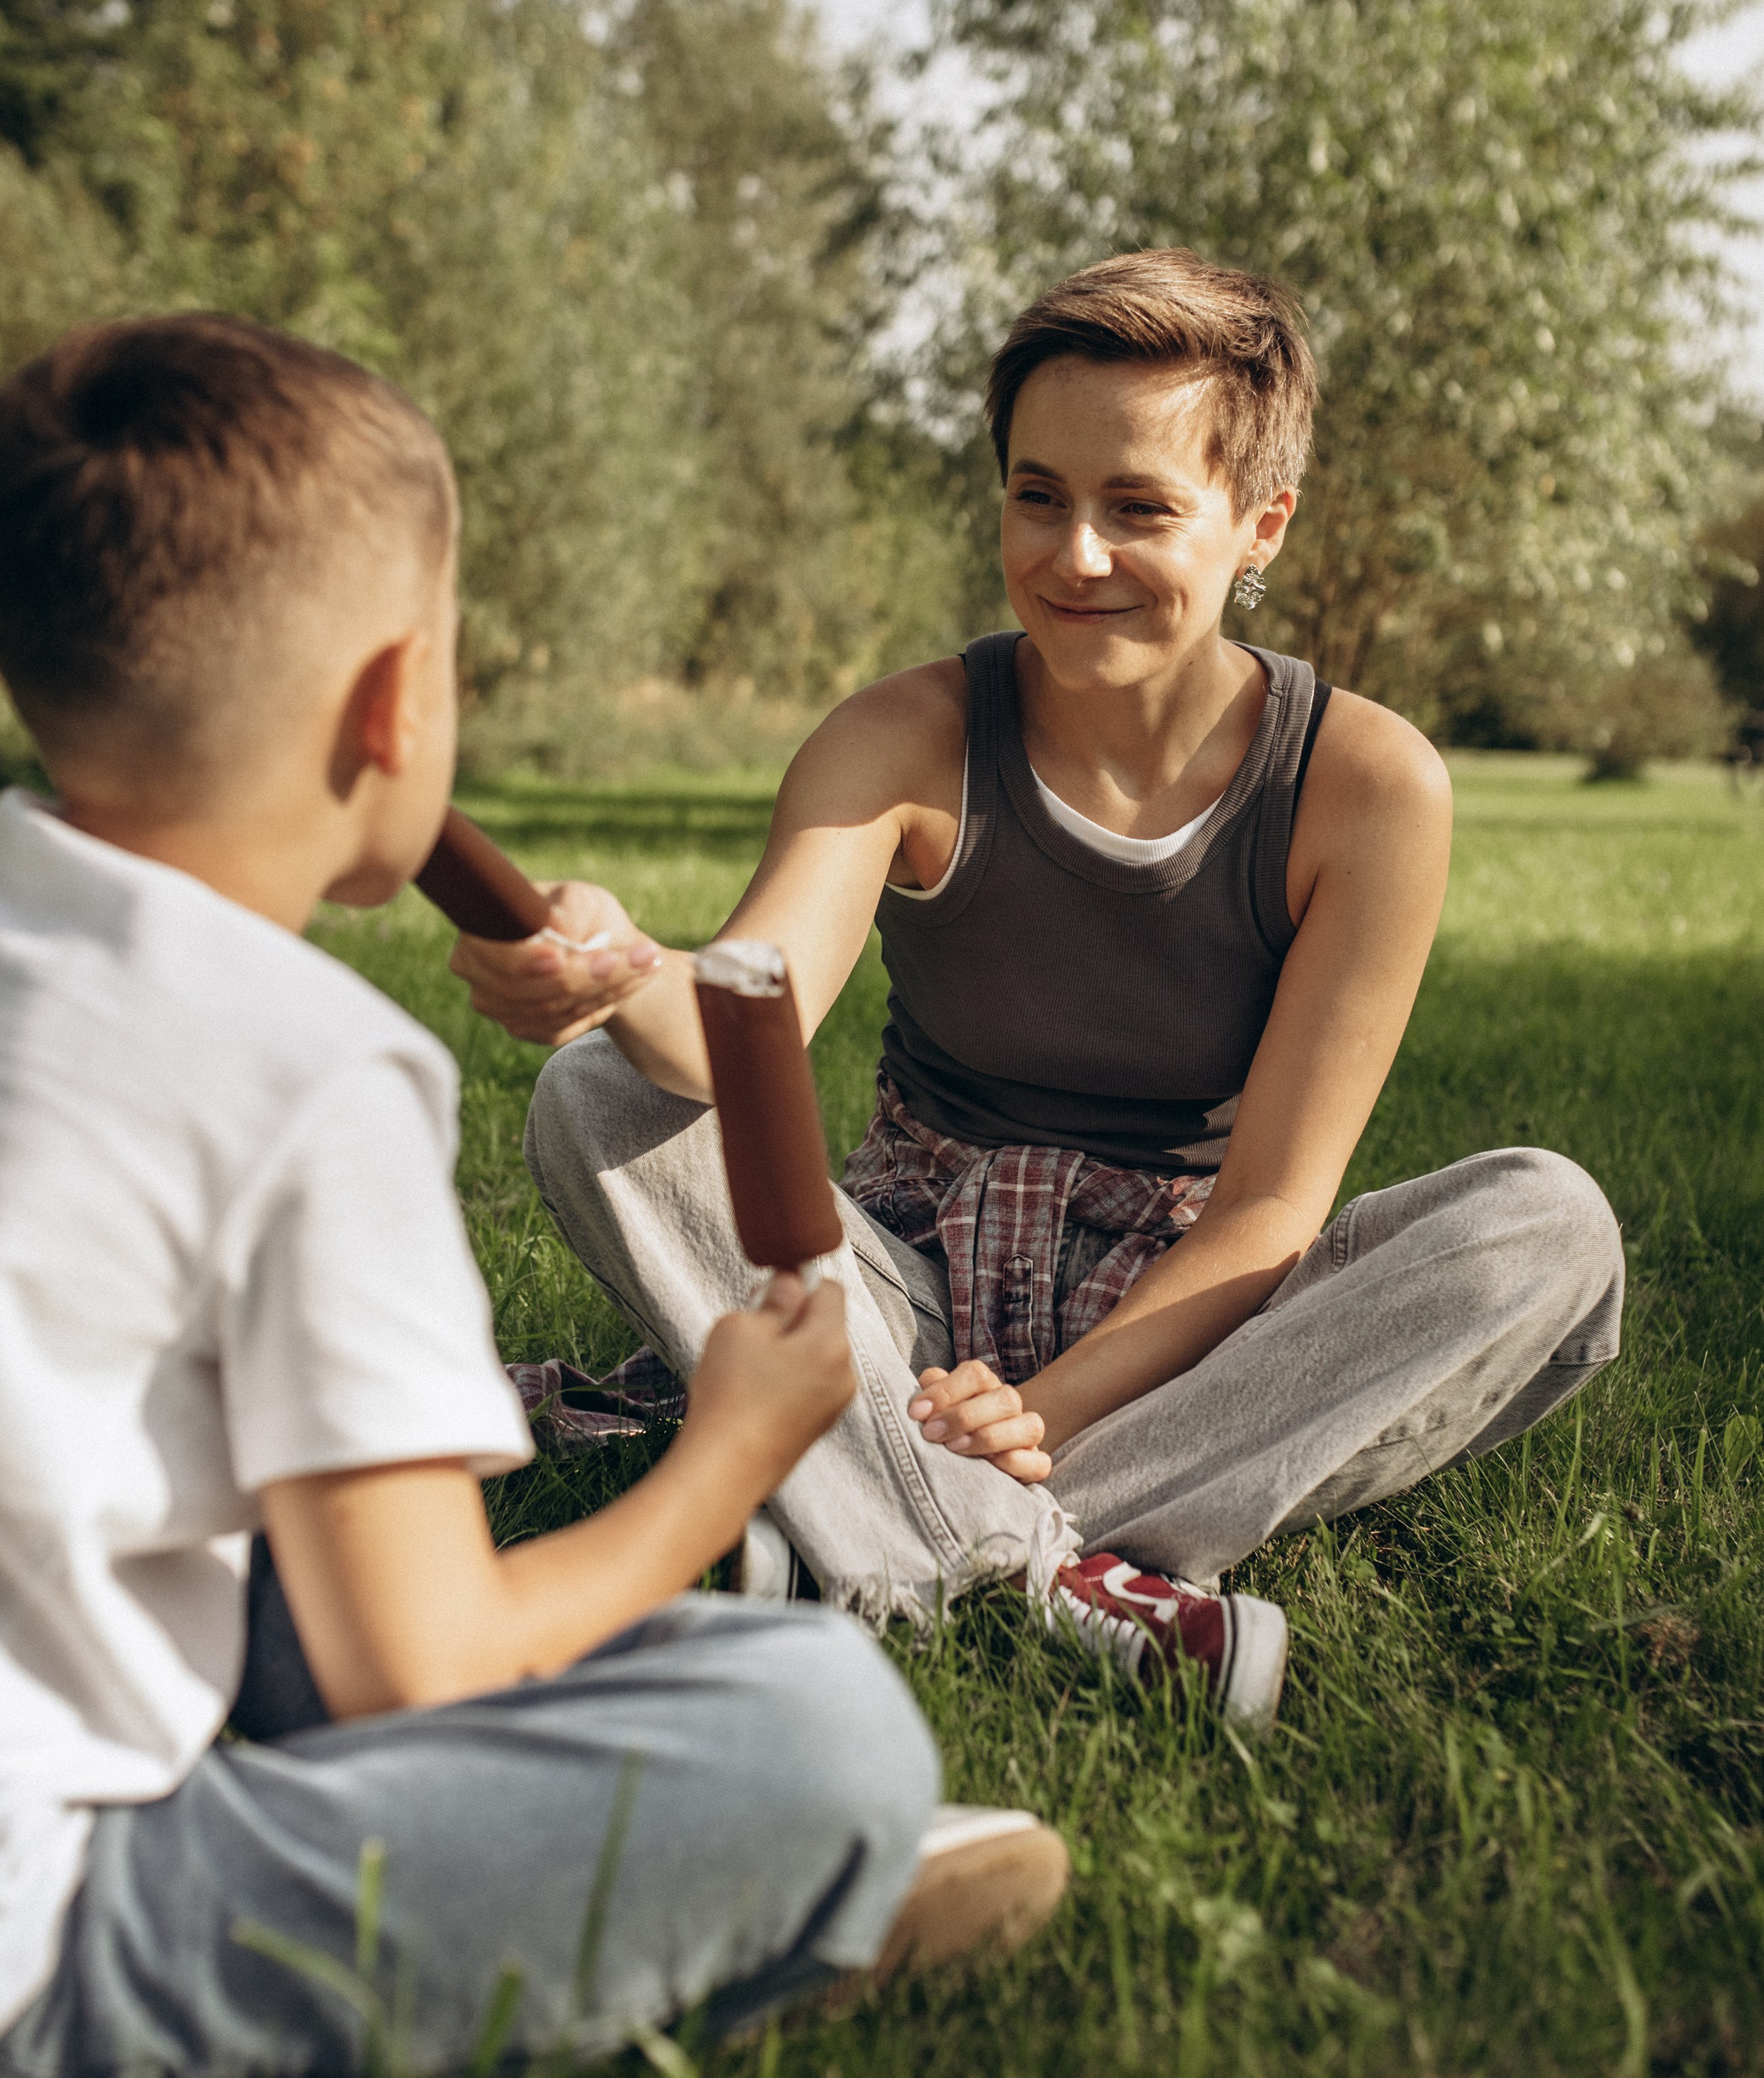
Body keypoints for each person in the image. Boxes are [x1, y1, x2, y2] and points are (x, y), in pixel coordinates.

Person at [0, 316, 1068, 2078]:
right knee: (818, 1729)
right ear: (397, 707)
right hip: (4, 1998)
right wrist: (731, 1453)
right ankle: (700, 1913)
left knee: (292, 1576)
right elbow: (417, 1660)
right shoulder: (307, 1067)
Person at [453, 251, 1627, 1726]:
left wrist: (1048, 1406)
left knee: (1547, 1231)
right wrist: (620, 966)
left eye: (1136, 507)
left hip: (1174, 1327)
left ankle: (847, 1515)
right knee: (599, 1094)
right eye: (1035, 494)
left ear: (1257, 523)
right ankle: (1035, 1563)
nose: (1072, 554)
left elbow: (1271, 1207)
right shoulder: (905, 736)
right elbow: (738, 1029)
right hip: (901, 1280)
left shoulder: (1367, 785)